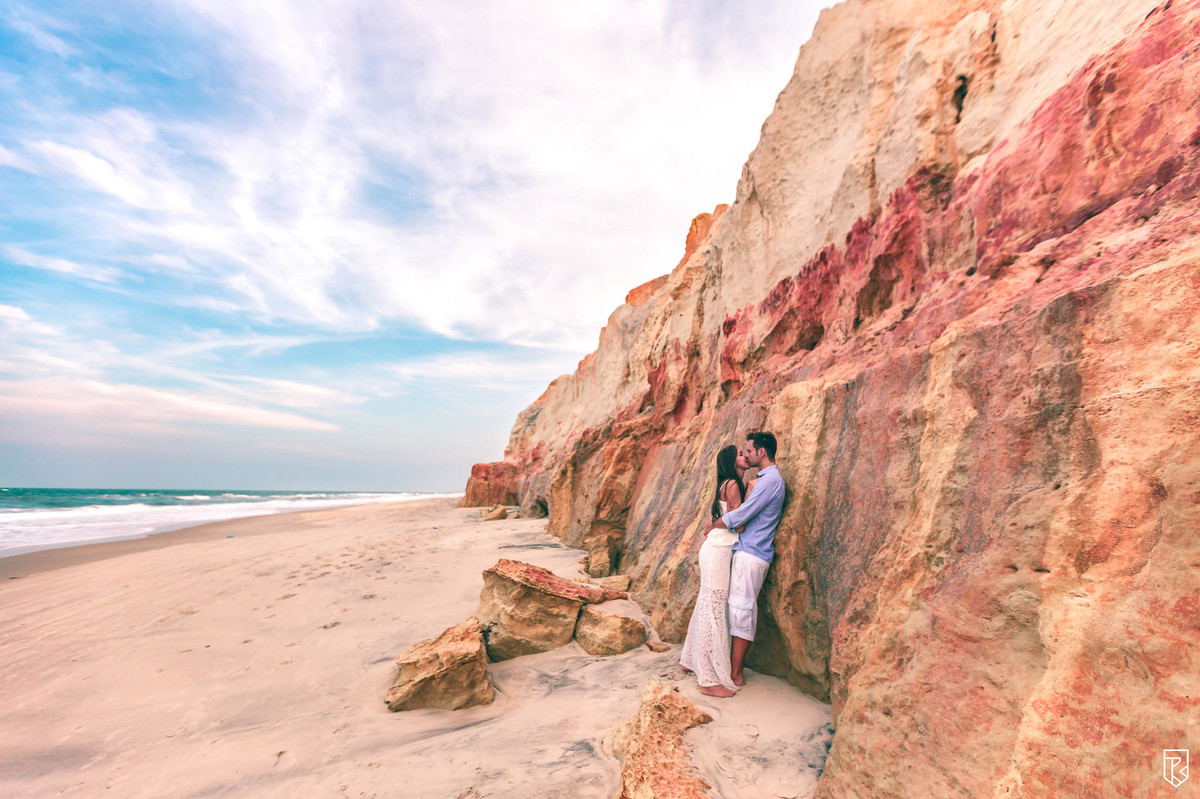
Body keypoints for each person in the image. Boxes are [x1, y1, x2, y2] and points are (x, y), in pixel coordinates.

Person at [703, 431, 784, 687]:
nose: (746, 455)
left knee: (742, 611)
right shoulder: (761, 479)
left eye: (749, 450)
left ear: (762, 452)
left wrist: (716, 524)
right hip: (745, 551)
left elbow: (745, 513)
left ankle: (736, 674)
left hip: (753, 553)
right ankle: (730, 668)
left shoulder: (771, 480)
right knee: (736, 609)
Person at [679, 444, 748, 697]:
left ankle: (689, 658)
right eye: (740, 454)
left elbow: (730, 519)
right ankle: (708, 679)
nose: (745, 456)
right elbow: (738, 525)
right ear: (732, 461)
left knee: (706, 603)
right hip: (718, 551)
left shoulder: (727, 483)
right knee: (715, 608)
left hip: (714, 548)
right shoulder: (732, 484)